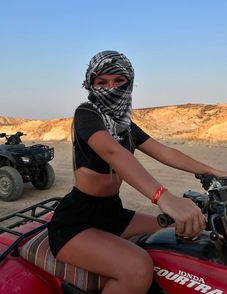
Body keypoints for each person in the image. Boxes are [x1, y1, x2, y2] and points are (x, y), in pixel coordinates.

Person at [48, 50, 226, 294]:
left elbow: (165, 152)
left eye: (118, 81)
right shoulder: (87, 114)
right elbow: (113, 152)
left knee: (181, 240)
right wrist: (164, 197)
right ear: (91, 85)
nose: (111, 88)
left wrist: (215, 171)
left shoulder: (125, 125)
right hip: (76, 222)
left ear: (129, 82)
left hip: (113, 213)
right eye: (102, 82)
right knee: (138, 267)